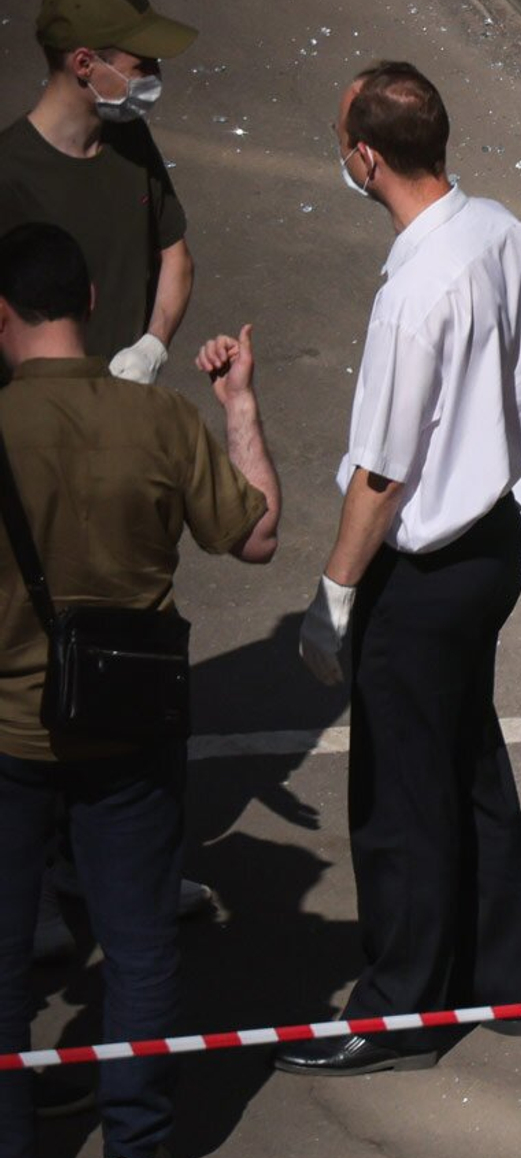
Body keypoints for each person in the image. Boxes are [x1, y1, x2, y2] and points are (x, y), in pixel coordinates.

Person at [272, 61, 521, 1078]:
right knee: (469, 758)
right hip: (492, 544)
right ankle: (501, 978)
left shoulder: (414, 293)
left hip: (424, 572)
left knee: (399, 798)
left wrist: (333, 597)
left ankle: (399, 1012)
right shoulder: (503, 231)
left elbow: (381, 476)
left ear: (366, 157)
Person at [0, 221, 280, 1158]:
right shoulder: (158, 420)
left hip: (8, 736)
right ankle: (140, 1139)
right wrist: (239, 404)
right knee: (141, 950)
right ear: (89, 304)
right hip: (132, 726)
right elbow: (256, 535)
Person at [0, 0, 198, 386]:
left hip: (124, 404)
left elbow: (176, 257)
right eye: (142, 64)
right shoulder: (9, 173)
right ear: (84, 64)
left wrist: (152, 347)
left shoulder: (130, 140)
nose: (155, 74)